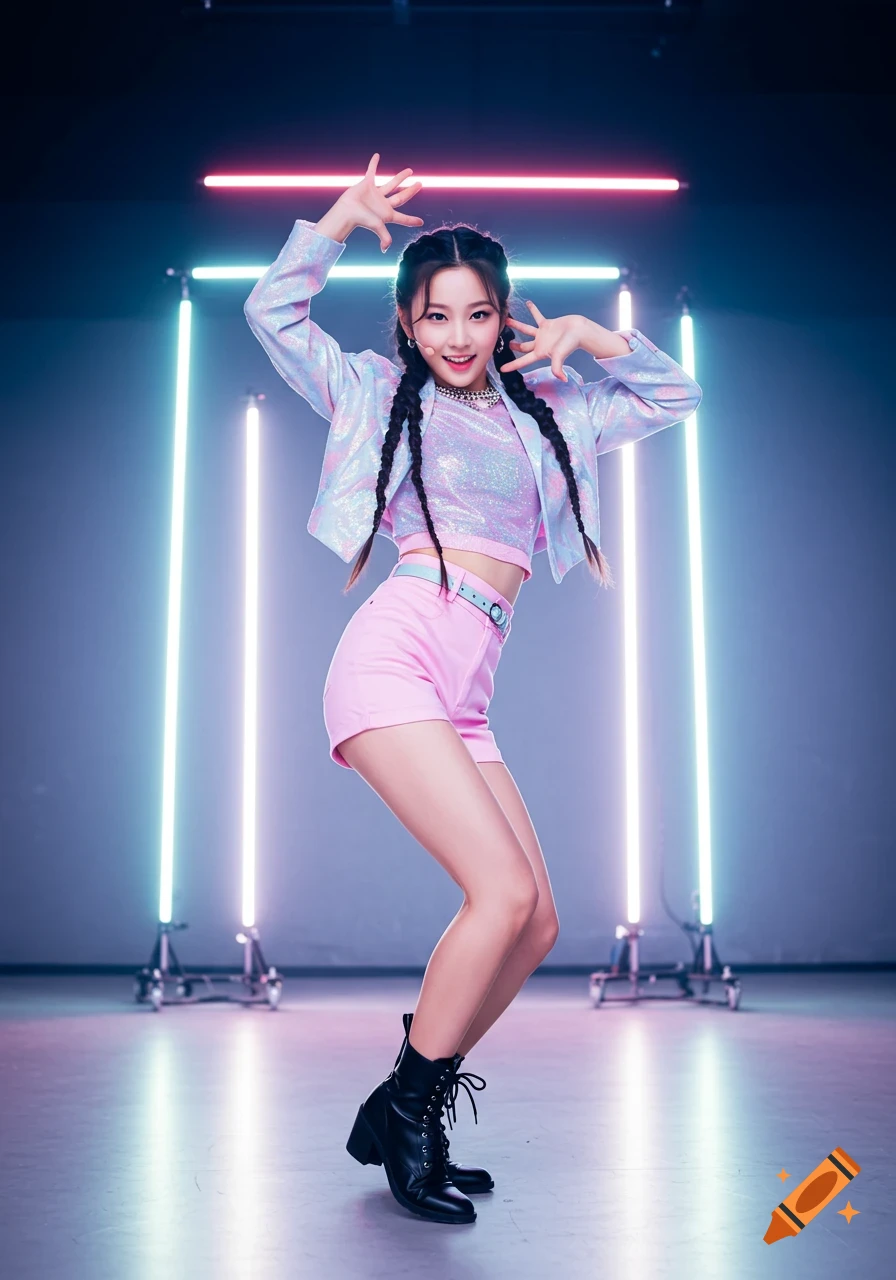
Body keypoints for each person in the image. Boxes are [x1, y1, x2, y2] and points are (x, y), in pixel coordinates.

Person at [244, 153, 703, 1225]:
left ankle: (400, 1101)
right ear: (406, 322)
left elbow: (677, 395)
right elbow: (272, 312)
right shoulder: (367, 390)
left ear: (502, 321)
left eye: (479, 313)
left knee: (535, 923)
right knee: (493, 895)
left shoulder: (552, 412)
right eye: (437, 314)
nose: (458, 334)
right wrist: (334, 224)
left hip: (465, 692)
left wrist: (597, 341)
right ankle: (404, 1118)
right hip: (394, 655)